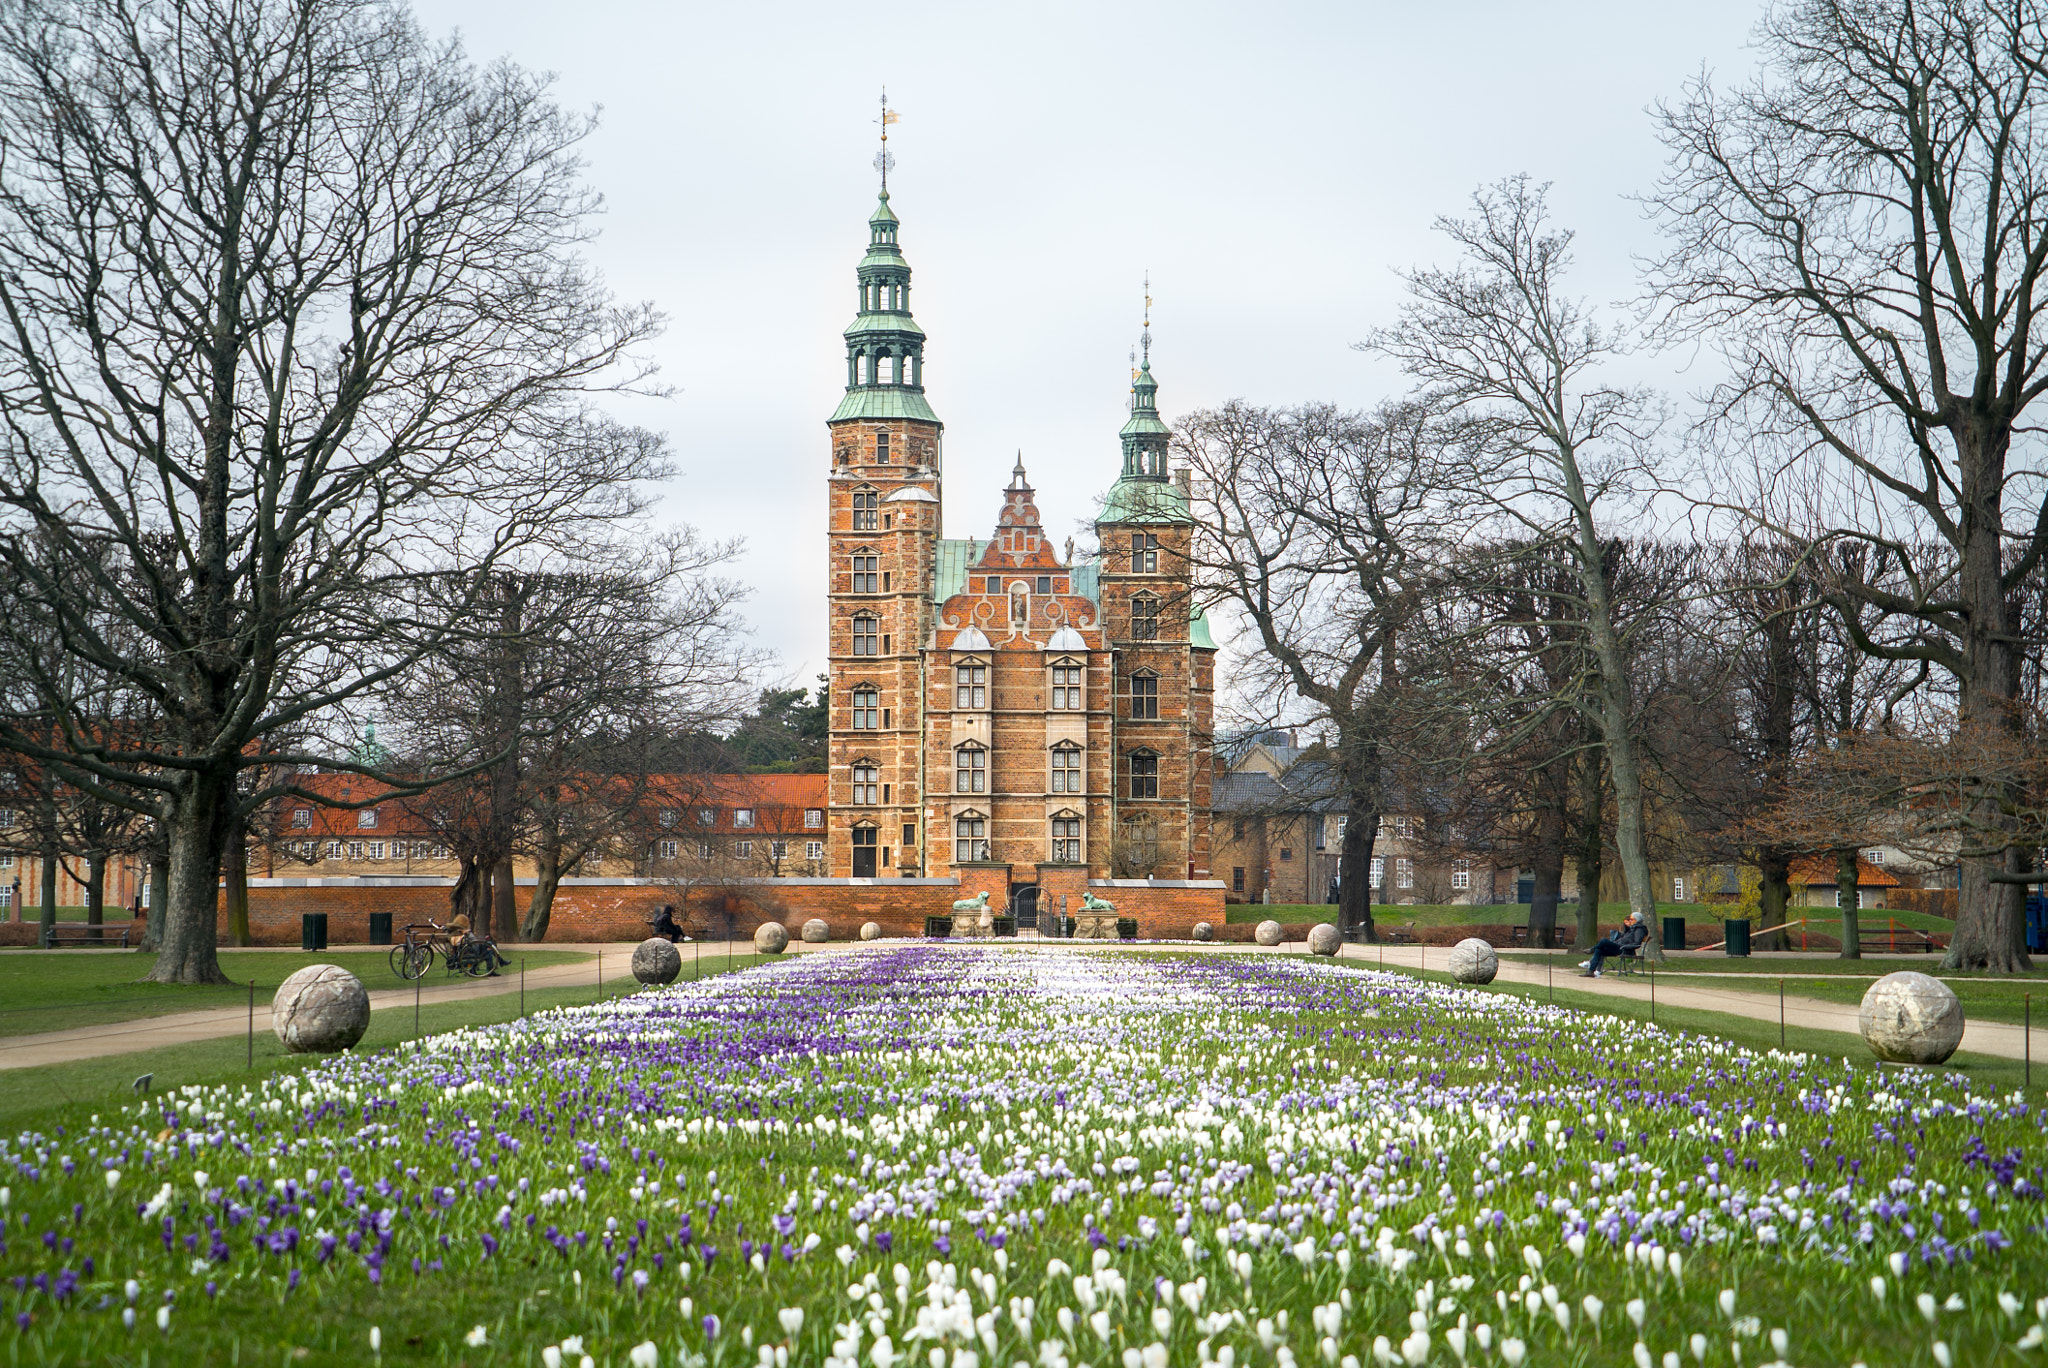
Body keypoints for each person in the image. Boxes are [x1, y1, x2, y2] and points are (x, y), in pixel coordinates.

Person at [1580, 910, 1649, 977]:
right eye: (1629, 919)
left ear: (1637, 920)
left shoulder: (1639, 930)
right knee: (1599, 950)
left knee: (1604, 941)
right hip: (1619, 947)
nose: (1630, 921)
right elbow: (1624, 937)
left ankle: (1592, 950)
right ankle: (1590, 971)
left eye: (1632, 919)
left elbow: (1636, 943)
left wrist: (1624, 946)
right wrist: (1626, 927)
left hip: (1624, 949)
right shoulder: (1632, 928)